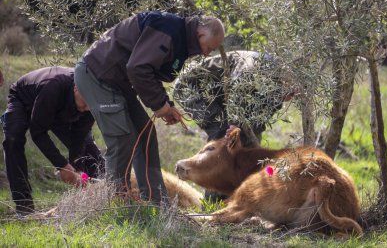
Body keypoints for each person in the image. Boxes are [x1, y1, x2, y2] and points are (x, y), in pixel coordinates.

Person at [74, 11, 225, 205]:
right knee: (122, 138)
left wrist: (166, 105)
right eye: (209, 48)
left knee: (146, 136)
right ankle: (115, 203)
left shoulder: (179, 38)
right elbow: (138, 68)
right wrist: (158, 105)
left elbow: (149, 72)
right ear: (201, 35)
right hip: (97, 76)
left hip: (117, 83)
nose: (207, 53)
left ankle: (156, 202)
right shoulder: (168, 29)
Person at [173, 50, 296, 202]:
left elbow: (257, 124)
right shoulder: (253, 67)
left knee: (248, 146)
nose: (290, 97)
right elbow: (237, 91)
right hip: (190, 88)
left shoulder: (276, 89)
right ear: (282, 79)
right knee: (222, 138)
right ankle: (214, 203)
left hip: (223, 97)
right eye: (290, 91)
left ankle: (244, 199)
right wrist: (234, 127)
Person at [1, 66, 104, 215]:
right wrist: (62, 165)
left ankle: (106, 193)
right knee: (13, 139)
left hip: (59, 109)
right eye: (86, 102)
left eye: (91, 104)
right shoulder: (54, 86)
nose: (88, 108)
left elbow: (79, 138)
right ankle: (24, 207)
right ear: (77, 88)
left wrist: (77, 171)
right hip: (24, 100)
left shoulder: (89, 103)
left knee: (89, 150)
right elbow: (38, 132)